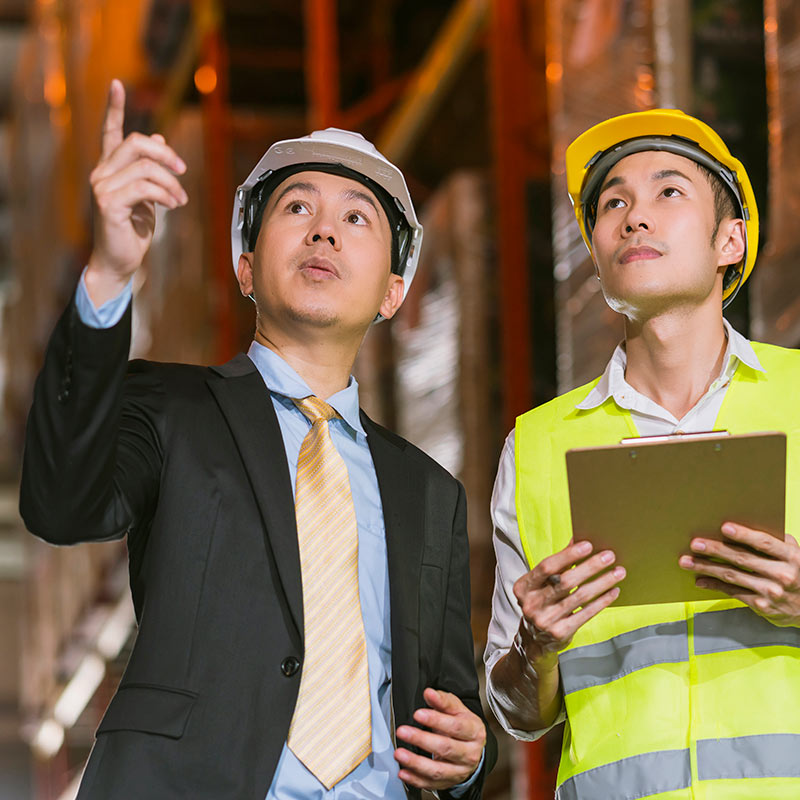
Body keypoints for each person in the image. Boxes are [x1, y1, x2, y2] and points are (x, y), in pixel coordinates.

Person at [20, 79, 496, 800]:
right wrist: (112, 270)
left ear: (394, 293)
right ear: (247, 267)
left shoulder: (432, 494)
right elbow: (61, 505)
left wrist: (471, 755)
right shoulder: (171, 408)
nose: (324, 230)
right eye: (296, 207)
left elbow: (449, 710)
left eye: (357, 217)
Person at [484, 108, 800, 798]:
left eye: (669, 192)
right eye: (613, 202)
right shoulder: (538, 447)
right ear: (596, 256)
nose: (634, 216)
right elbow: (517, 715)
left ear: (731, 240)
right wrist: (533, 647)